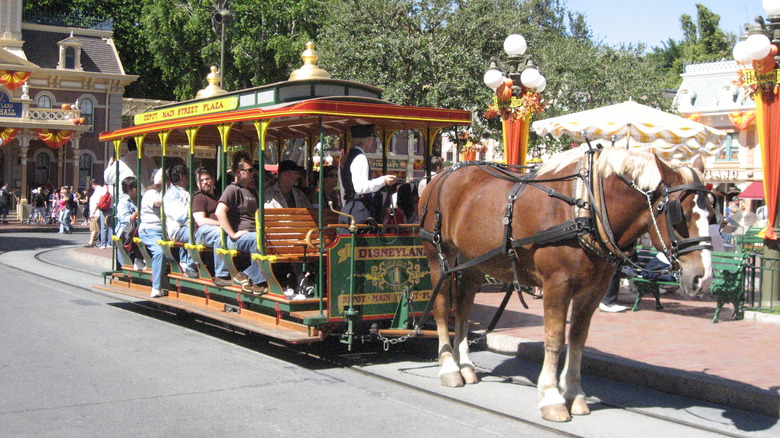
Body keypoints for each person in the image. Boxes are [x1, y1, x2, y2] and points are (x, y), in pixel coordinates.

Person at [215, 151, 267, 294]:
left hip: (254, 232)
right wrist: (233, 234)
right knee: (258, 240)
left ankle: (246, 275)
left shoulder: (253, 191)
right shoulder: (232, 189)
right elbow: (219, 212)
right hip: (239, 237)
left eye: (253, 170)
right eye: (249, 170)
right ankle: (257, 282)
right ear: (239, 172)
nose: (253, 173)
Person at [339, 124, 398, 229]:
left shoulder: (348, 156)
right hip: (359, 212)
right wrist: (383, 180)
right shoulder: (360, 157)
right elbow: (360, 188)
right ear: (369, 140)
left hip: (348, 209)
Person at [191, 167, 230, 286]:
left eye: (207, 179)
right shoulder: (199, 197)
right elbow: (201, 220)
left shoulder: (219, 195)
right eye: (201, 180)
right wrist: (222, 224)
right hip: (202, 231)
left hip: (219, 227)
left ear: (212, 180)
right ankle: (221, 275)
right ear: (197, 183)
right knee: (220, 235)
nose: (205, 182)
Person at [163, 163, 197, 278]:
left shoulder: (186, 191)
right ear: (182, 176)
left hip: (188, 226)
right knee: (195, 234)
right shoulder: (172, 194)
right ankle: (190, 266)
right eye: (187, 174)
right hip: (177, 230)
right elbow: (181, 216)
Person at [139, 169, 166, 298]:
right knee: (159, 251)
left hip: (164, 231)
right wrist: (163, 187)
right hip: (149, 231)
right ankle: (156, 287)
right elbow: (159, 203)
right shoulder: (151, 193)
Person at [115, 176, 144, 270]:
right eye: (135, 187)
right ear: (129, 189)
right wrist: (138, 212)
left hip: (139, 228)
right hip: (126, 231)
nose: (137, 189)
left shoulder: (141, 198)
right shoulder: (124, 202)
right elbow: (126, 219)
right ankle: (132, 262)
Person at [88, 179, 111, 248]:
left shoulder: (99, 190)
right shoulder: (100, 189)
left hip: (97, 212)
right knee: (101, 228)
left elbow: (98, 202)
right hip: (98, 212)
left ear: (92, 185)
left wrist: (93, 212)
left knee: (95, 228)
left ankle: (91, 242)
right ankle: (101, 241)